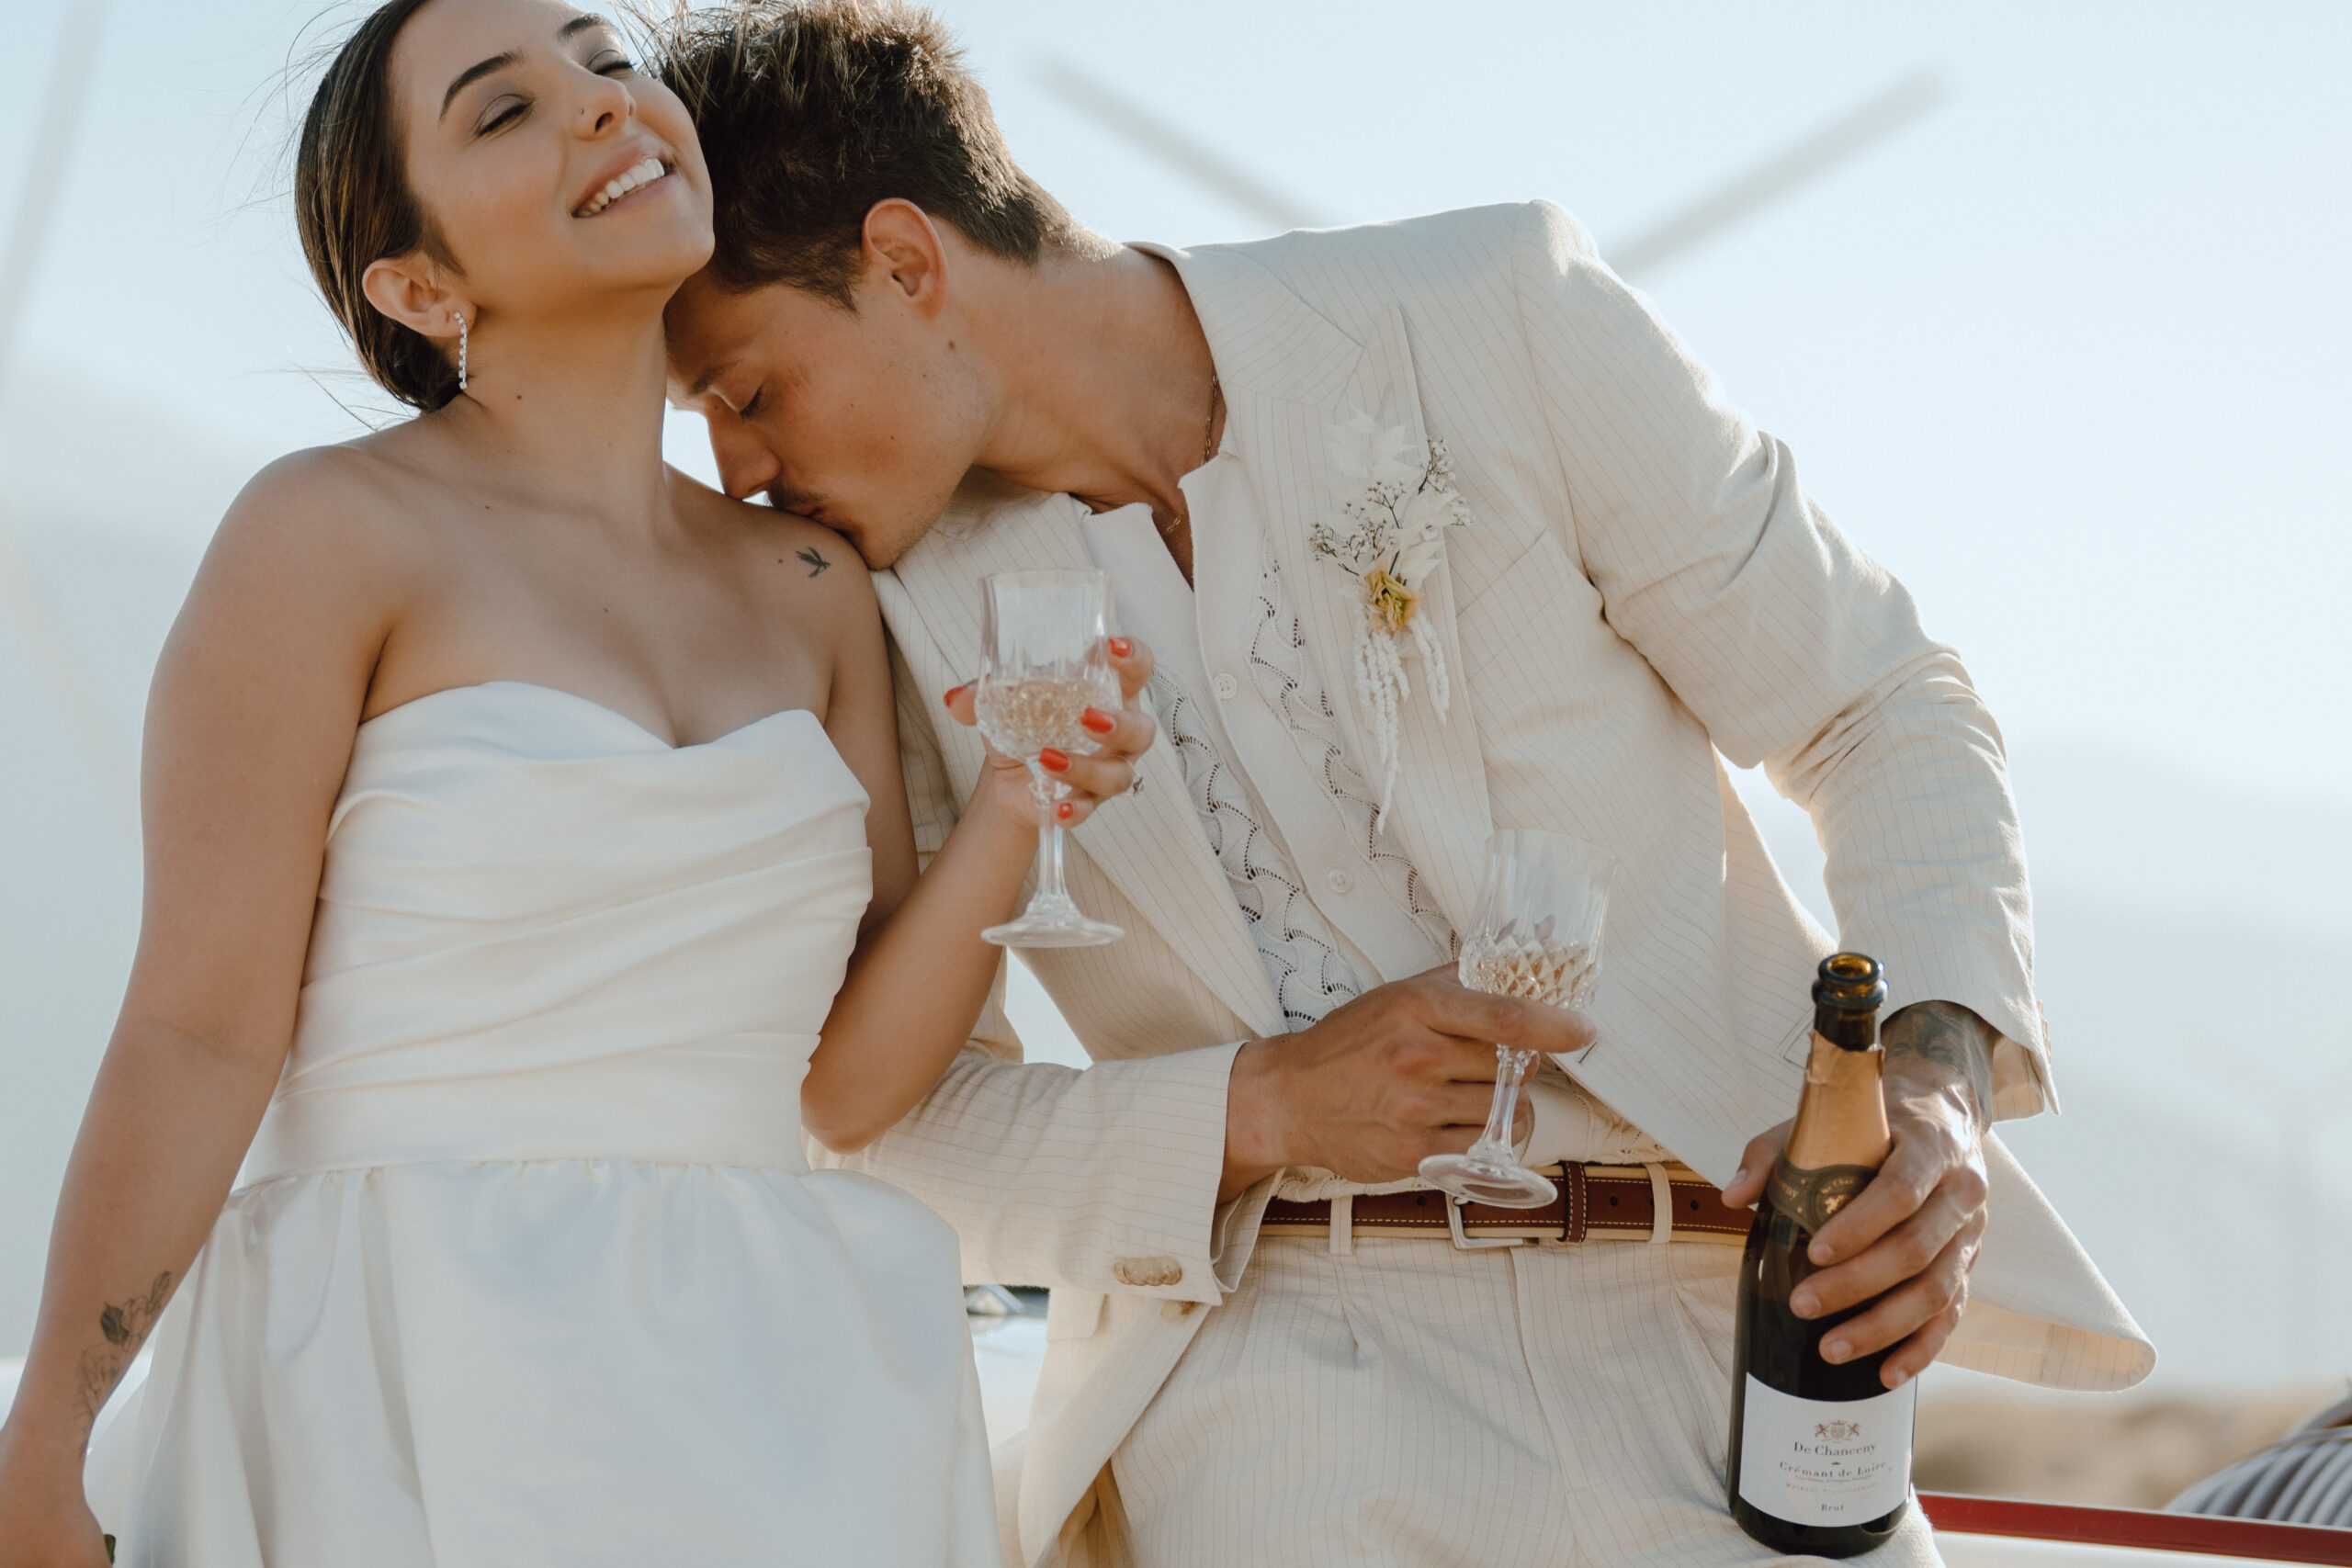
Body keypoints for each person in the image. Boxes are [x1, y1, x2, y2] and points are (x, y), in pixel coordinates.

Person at [653, 6, 2158, 1566]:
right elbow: (887, 1122)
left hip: (1732, 1344)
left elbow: (1879, 705)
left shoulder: (1497, 310)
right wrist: (1257, 1107)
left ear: (906, 260)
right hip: (1276, 1384)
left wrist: (1934, 1080)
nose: (739, 474)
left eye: (746, 391)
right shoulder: (874, 605)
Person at [0, 1, 1160, 1562]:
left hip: (781, 1399)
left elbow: (849, 1079)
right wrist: (49, 1442)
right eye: (504, 112)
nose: (604, 106)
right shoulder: (323, 537)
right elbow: (199, 1033)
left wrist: (1025, 810)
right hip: (405, 1366)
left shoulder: (811, 577)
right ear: (418, 285)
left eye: (607, 61)